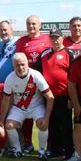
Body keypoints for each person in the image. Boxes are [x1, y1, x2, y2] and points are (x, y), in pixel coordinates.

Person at [1, 52, 54, 159]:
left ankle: (42, 151)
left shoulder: (36, 75)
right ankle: (17, 150)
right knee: (9, 125)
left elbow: (50, 97)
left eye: (23, 64)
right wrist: (1, 120)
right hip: (19, 108)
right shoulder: (10, 78)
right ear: (13, 66)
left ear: (27, 63)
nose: (21, 68)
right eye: (18, 65)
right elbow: (6, 101)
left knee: (43, 125)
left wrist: (47, 118)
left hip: (37, 107)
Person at [14, 15, 52, 153]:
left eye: (34, 24)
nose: (31, 26)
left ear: (40, 25)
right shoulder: (21, 42)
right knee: (26, 110)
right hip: (26, 84)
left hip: (44, 82)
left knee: (46, 114)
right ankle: (28, 143)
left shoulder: (48, 39)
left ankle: (49, 146)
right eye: (29, 24)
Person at [37, 28, 74, 159]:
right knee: (52, 124)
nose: (55, 40)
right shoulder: (44, 54)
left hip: (64, 96)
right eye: (52, 37)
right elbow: (36, 72)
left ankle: (68, 151)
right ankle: (55, 150)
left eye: (57, 37)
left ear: (62, 38)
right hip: (48, 96)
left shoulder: (69, 54)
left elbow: (73, 77)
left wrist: (71, 98)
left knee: (65, 125)